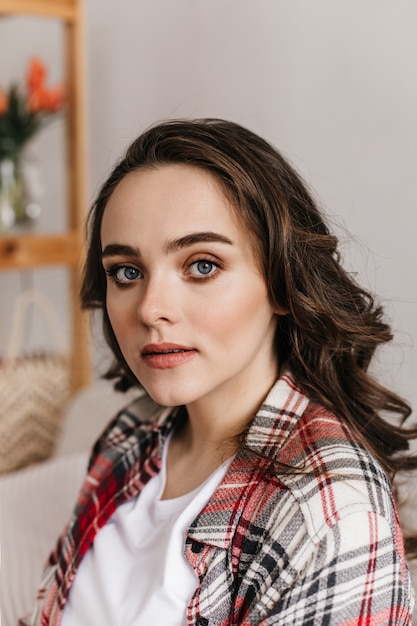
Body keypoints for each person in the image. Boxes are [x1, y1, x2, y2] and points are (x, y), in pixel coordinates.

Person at [20, 119, 417, 625]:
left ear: (279, 281)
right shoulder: (130, 437)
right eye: (127, 272)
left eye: (202, 265)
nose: (150, 309)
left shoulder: (330, 509)